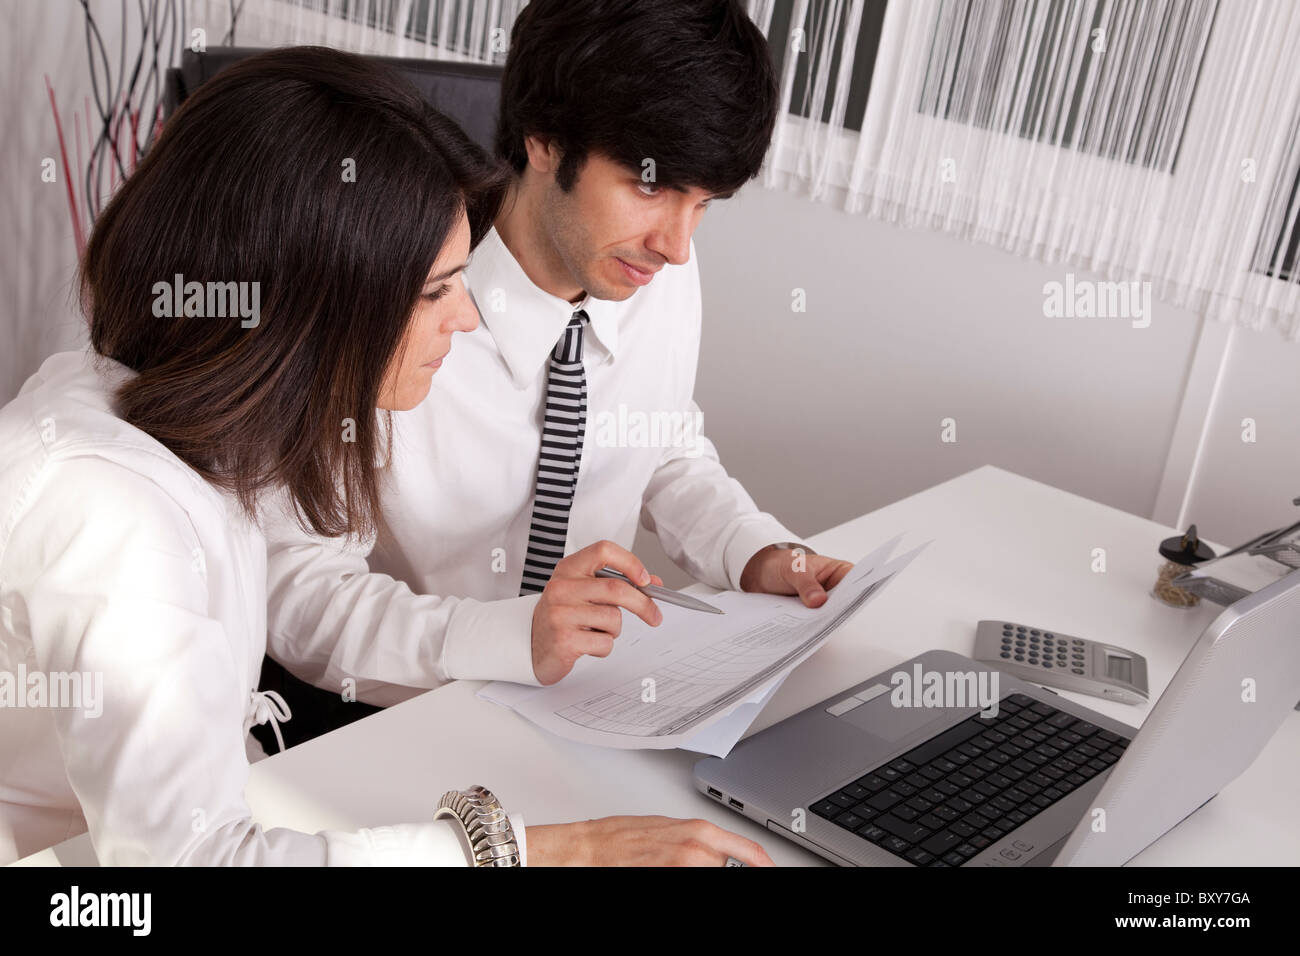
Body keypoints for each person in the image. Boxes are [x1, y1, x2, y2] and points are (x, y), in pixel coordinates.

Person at [0, 46, 772, 867]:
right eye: (437, 290)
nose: (468, 320)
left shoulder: (180, 420)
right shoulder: (121, 517)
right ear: (313, 303)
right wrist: (555, 852)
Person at [261, 0, 856, 720]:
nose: (677, 244)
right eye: (650, 186)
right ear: (544, 142)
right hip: (393, 711)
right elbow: (300, 594)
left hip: (585, 702)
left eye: (705, 204)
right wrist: (509, 641)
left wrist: (753, 553)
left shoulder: (650, 269)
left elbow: (661, 444)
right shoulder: (394, 296)